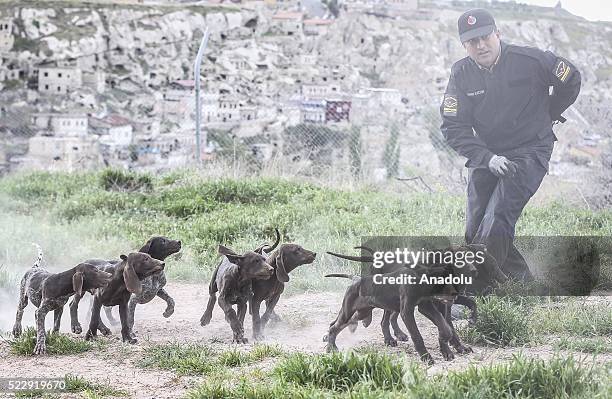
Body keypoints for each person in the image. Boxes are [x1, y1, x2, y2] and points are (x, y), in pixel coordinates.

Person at [440, 9, 581, 281]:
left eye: (485, 37)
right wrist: (486, 157)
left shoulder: (530, 60)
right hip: (488, 154)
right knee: (476, 227)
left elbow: (571, 77)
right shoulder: (460, 74)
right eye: (472, 41)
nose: (481, 45)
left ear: (497, 34)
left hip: (530, 150)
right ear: (464, 46)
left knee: (499, 215)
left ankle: (470, 292)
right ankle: (522, 285)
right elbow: (453, 126)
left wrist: (549, 113)